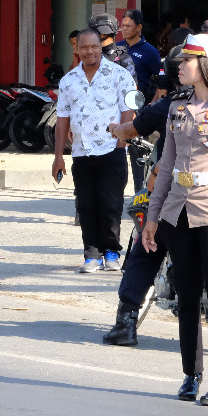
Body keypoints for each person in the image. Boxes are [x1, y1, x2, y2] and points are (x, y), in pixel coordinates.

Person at [141, 34, 208, 406]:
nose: (180, 65)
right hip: (178, 210)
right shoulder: (177, 108)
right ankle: (191, 373)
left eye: (188, 60)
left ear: (207, 66)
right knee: (186, 296)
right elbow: (167, 165)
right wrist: (153, 216)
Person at [100, 55, 180, 347]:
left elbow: (133, 129)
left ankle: (126, 322)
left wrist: (115, 129)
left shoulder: (175, 105)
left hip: (181, 194)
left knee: (147, 246)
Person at [53, 28, 137, 272]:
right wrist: (59, 156)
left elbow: (127, 110)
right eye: (84, 47)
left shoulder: (119, 75)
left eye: (94, 47)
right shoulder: (68, 80)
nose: (89, 51)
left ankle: (111, 253)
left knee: (111, 204)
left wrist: (122, 142)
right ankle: (91, 255)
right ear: (77, 49)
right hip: (81, 152)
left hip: (112, 150)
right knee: (86, 205)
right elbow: (62, 118)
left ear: (101, 47)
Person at [121, 8, 162, 101]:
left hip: (138, 102)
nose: (124, 29)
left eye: (128, 26)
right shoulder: (116, 47)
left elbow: (161, 80)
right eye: (123, 25)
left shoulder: (150, 52)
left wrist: (153, 105)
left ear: (139, 27)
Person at [89, 14, 138, 84]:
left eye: (93, 33)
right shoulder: (91, 56)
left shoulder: (122, 58)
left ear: (104, 34)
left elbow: (132, 88)